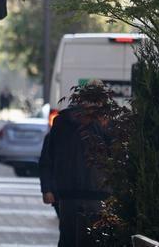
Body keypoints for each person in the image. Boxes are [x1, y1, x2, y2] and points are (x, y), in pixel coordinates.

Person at [38, 81, 111, 246]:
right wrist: (47, 188)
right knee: (88, 240)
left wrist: (47, 188)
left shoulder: (63, 122)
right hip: (91, 193)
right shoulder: (64, 123)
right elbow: (48, 157)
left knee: (71, 238)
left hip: (76, 193)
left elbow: (47, 158)